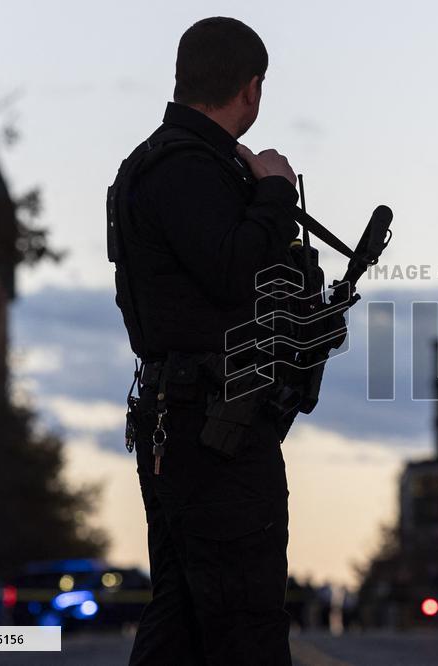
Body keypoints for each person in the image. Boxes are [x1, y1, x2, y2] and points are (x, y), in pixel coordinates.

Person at [108, 16, 299, 665]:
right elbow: (235, 270)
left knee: (185, 620)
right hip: (216, 428)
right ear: (251, 89)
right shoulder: (188, 168)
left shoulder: (158, 162)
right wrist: (274, 192)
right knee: (245, 621)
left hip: (185, 418)